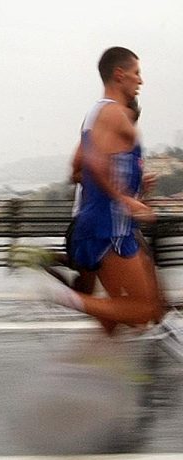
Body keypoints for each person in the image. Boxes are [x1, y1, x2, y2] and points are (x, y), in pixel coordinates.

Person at [39, 47, 163, 335]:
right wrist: (125, 200)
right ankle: (67, 298)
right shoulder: (114, 113)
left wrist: (135, 189)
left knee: (121, 316)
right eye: (136, 73)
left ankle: (76, 305)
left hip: (106, 224)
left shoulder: (100, 114)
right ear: (120, 75)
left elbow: (90, 166)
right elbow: (92, 163)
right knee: (143, 310)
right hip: (109, 227)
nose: (140, 81)